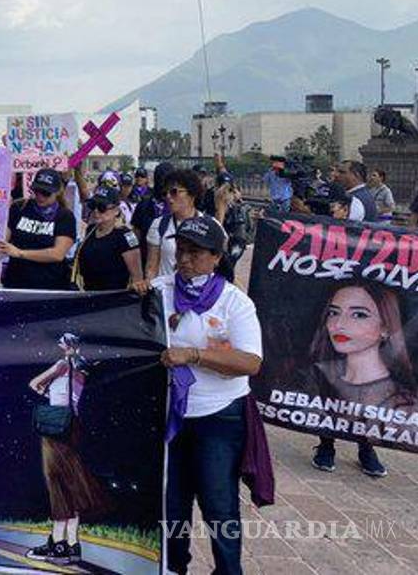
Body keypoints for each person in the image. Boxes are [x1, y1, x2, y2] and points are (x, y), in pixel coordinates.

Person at [150, 216, 263, 575]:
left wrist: (194, 355)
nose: (184, 259)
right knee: (172, 501)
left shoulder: (235, 303)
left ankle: (229, 571)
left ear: (216, 257)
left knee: (218, 504)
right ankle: (173, 567)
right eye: (180, 250)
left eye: (195, 253)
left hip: (219, 417)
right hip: (170, 415)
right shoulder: (159, 290)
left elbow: (250, 362)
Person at [25, 333, 109, 567]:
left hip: (56, 428)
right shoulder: (84, 369)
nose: (59, 346)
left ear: (68, 346)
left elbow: (33, 383)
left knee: (57, 485)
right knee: (70, 485)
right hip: (73, 427)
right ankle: (69, 544)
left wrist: (48, 394)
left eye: (62, 343)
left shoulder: (62, 365)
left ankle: (59, 545)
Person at [308, 272, 402, 478]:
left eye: (359, 315)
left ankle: (366, 446)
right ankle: (327, 443)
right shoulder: (319, 371)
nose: (339, 324)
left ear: (386, 327)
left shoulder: (402, 390)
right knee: (330, 398)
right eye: (334, 312)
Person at [0, 168, 76, 290]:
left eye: (46, 193)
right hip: (16, 282)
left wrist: (20, 253)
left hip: (51, 285)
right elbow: (2, 240)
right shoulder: (19, 207)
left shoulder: (65, 216)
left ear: (57, 192)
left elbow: (58, 254)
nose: (40, 196)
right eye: (37, 191)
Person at [71, 186, 142, 291]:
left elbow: (137, 278)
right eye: (93, 206)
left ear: (116, 210)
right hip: (89, 294)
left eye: (101, 207)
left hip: (114, 299)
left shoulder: (125, 236)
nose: (96, 211)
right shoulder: (90, 230)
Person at [145, 168, 207, 282]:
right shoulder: (159, 225)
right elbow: (151, 267)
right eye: (165, 193)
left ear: (192, 194)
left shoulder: (210, 225)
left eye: (174, 192)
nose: (168, 197)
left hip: (199, 295)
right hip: (167, 294)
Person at [131, 161, 173, 272]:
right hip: (148, 265)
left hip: (172, 266)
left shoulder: (178, 204)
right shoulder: (144, 204)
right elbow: (136, 237)